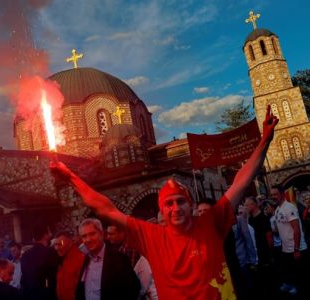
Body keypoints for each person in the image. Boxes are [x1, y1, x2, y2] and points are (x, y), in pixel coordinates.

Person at [51, 106, 278, 300]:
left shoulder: (211, 221)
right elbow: (105, 208)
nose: (176, 208)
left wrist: (264, 140)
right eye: (169, 204)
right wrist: (71, 178)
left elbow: (241, 181)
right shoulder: (152, 237)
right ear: (162, 210)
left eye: (181, 201)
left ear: (190, 204)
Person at [75, 218, 140, 300]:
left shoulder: (119, 259)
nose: (88, 239)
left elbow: (134, 289)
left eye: (92, 234)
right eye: (84, 236)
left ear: (101, 234)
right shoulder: (84, 259)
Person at [270, 185, 307, 296]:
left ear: (282, 194)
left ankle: (302, 290)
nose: (273, 197)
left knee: (300, 274)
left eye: (275, 194)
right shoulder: (277, 209)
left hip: (296, 247)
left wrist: (296, 249)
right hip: (286, 248)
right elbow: (280, 228)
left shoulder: (289, 207)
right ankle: (293, 286)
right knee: (290, 271)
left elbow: (296, 229)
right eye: (271, 195)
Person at [20, 222, 59, 300]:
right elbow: (54, 276)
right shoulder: (50, 253)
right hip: (47, 295)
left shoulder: (25, 255)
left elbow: (24, 279)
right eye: (49, 231)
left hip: (31, 295)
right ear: (45, 235)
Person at [53, 231, 85, 300]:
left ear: (70, 242)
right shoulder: (63, 258)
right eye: (55, 245)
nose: (57, 248)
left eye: (60, 244)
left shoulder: (79, 259)